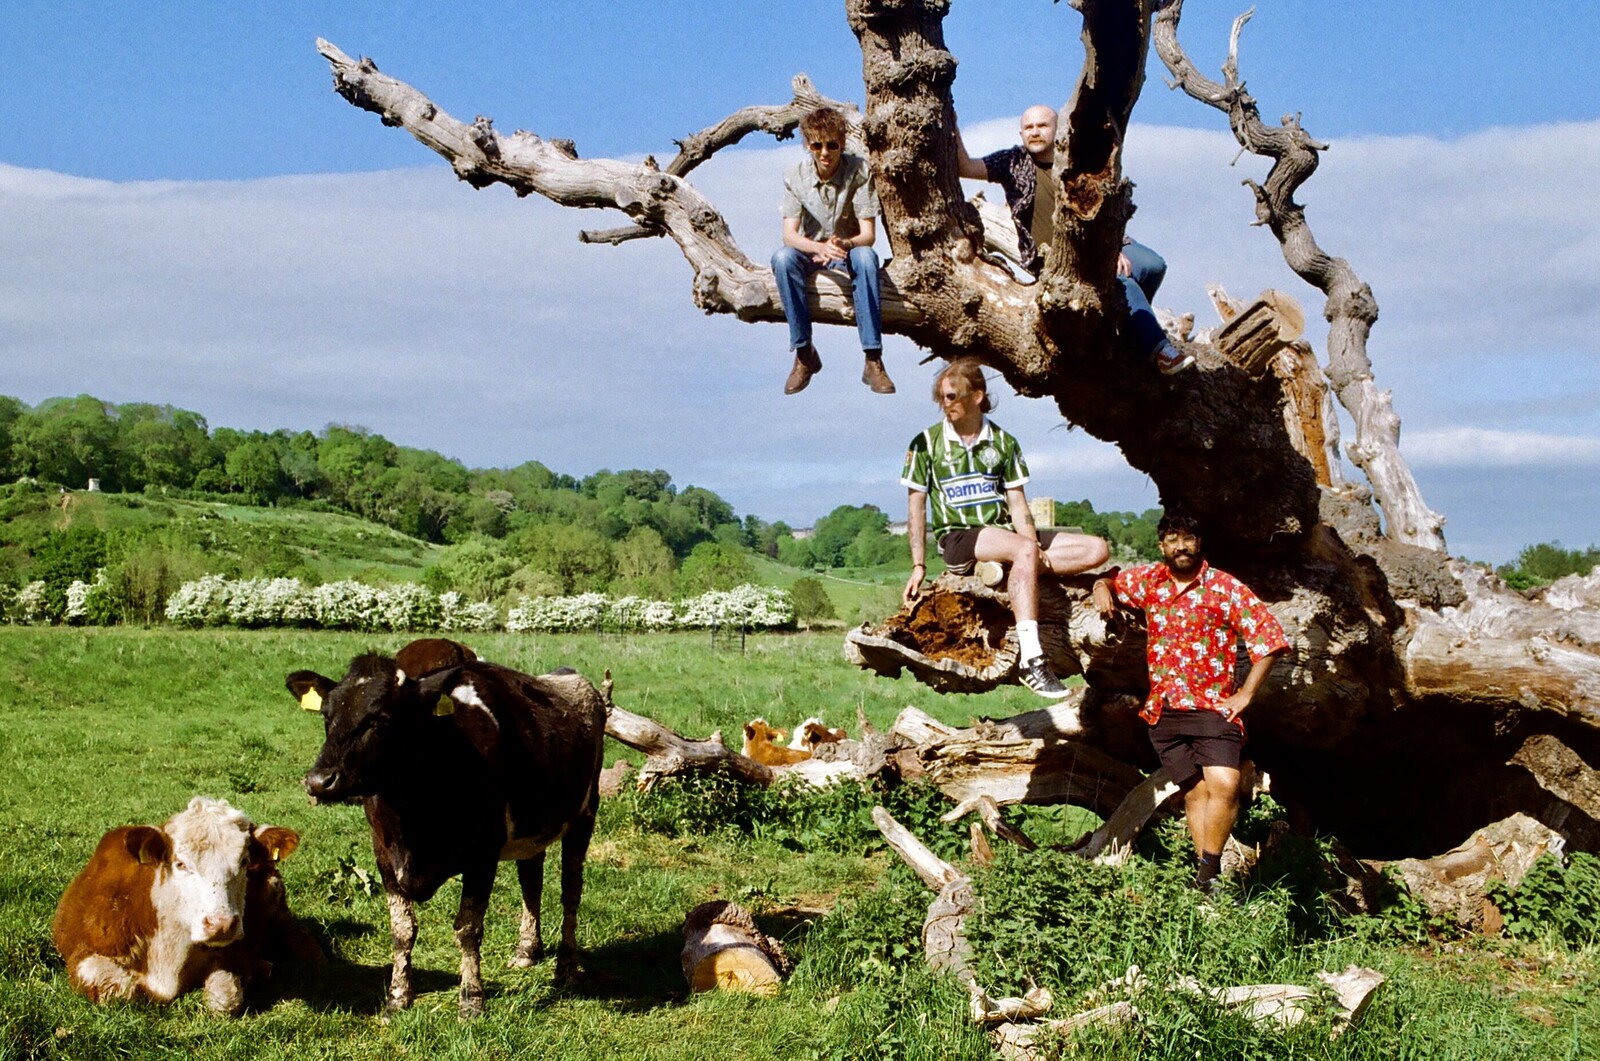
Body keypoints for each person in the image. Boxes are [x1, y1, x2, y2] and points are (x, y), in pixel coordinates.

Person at [1090, 512, 1289, 892]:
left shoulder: (1225, 587)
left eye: (1188, 538)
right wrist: (1102, 585)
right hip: (1164, 711)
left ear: (1200, 543)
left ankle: (1209, 870)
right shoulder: (1150, 581)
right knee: (1196, 792)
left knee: (1226, 784)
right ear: (1161, 545)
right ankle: (1206, 880)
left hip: (1213, 708)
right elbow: (1114, 580)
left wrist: (1245, 694)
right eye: (1172, 539)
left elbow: (1270, 638)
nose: (1181, 546)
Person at [901, 357, 1110, 699]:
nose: (945, 404)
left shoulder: (1004, 442)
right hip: (960, 537)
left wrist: (1032, 549)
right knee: (1024, 549)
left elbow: (1017, 505)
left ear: (977, 396)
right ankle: (1032, 658)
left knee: (1095, 548)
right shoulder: (925, 443)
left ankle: (1013, 571)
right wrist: (918, 566)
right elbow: (916, 507)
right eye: (942, 397)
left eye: (953, 396)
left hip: (1003, 533)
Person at [956, 104, 1195, 375]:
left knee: (1153, 265)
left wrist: (1110, 247)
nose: (1035, 132)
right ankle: (1160, 352)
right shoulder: (1012, 162)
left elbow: (1102, 207)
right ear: (1021, 133)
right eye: (1029, 127)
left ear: (1057, 130)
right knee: (1121, 283)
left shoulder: (1075, 161)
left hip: (1105, 242)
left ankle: (1129, 324)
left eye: (1042, 126)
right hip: (1057, 261)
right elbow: (965, 166)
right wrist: (952, 124)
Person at [772, 107, 894, 396]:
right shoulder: (795, 175)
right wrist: (819, 247)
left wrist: (843, 245)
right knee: (782, 258)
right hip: (811, 249)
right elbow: (789, 235)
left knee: (867, 259)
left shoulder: (859, 172)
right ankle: (803, 353)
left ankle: (873, 358)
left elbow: (868, 235)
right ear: (808, 145)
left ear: (842, 143)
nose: (824, 153)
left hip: (847, 250)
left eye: (831, 145)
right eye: (817, 145)